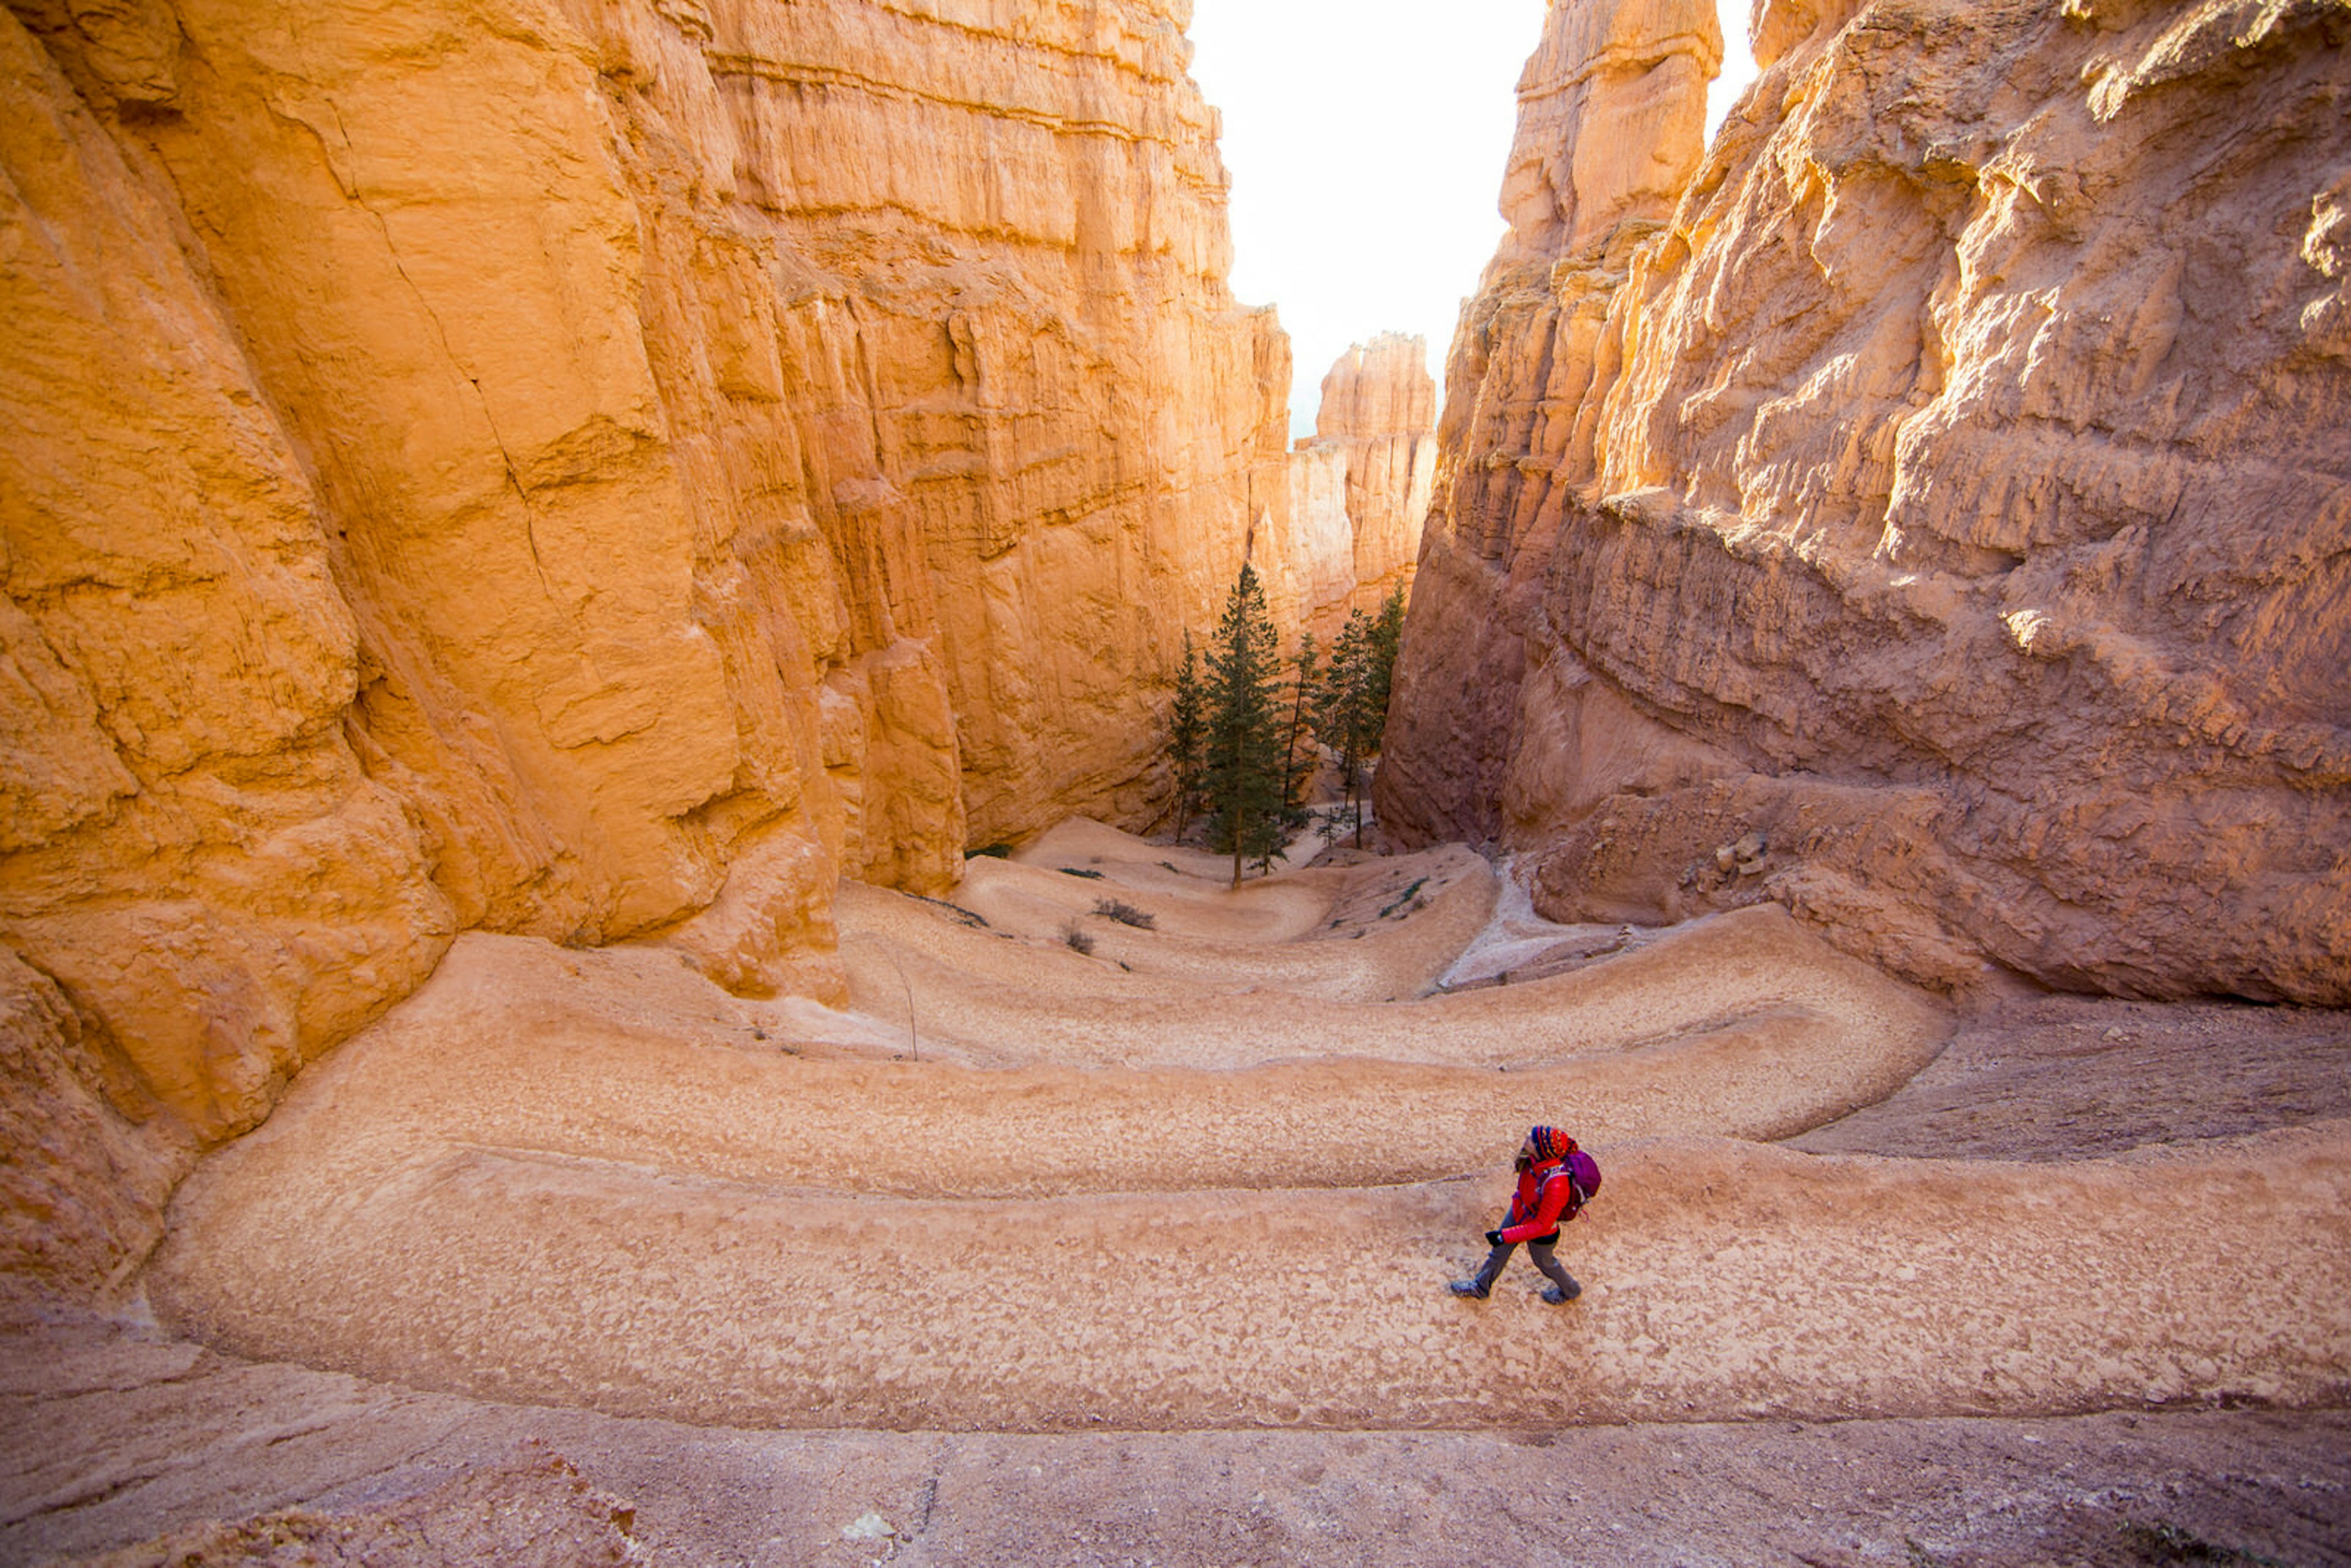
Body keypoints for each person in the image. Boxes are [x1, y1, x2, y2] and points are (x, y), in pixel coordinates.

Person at [1450, 1125, 1588, 1304]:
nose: (1527, 1137)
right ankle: (1480, 1287)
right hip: (1519, 1211)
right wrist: (1505, 1235)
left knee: (1546, 1264)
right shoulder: (1532, 1160)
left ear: (1541, 1149)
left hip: (1542, 1233)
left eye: (1532, 1138)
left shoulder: (1557, 1185)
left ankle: (1571, 1290)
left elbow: (1541, 1226)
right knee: (1498, 1253)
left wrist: (1505, 1235)